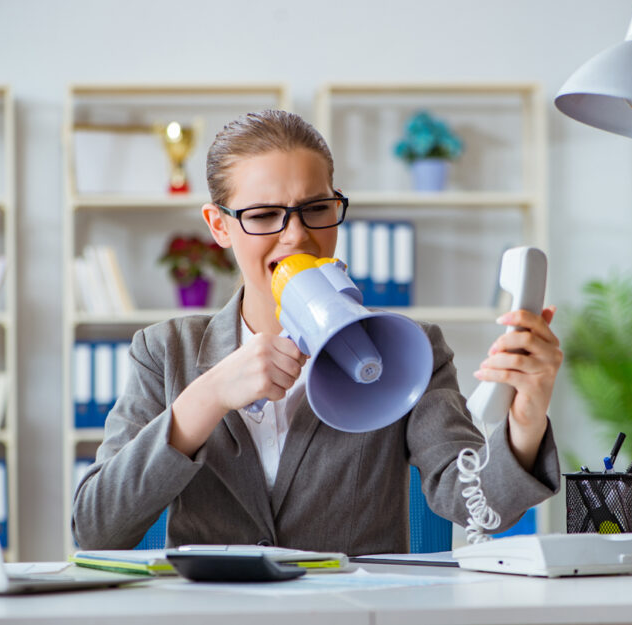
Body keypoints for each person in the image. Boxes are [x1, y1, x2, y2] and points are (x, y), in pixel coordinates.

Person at [72, 110, 563, 555]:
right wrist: (210, 395)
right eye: (264, 215)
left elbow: (482, 511)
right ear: (219, 226)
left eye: (317, 208)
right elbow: (96, 530)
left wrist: (527, 417)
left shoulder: (407, 349)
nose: (296, 236)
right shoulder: (165, 352)